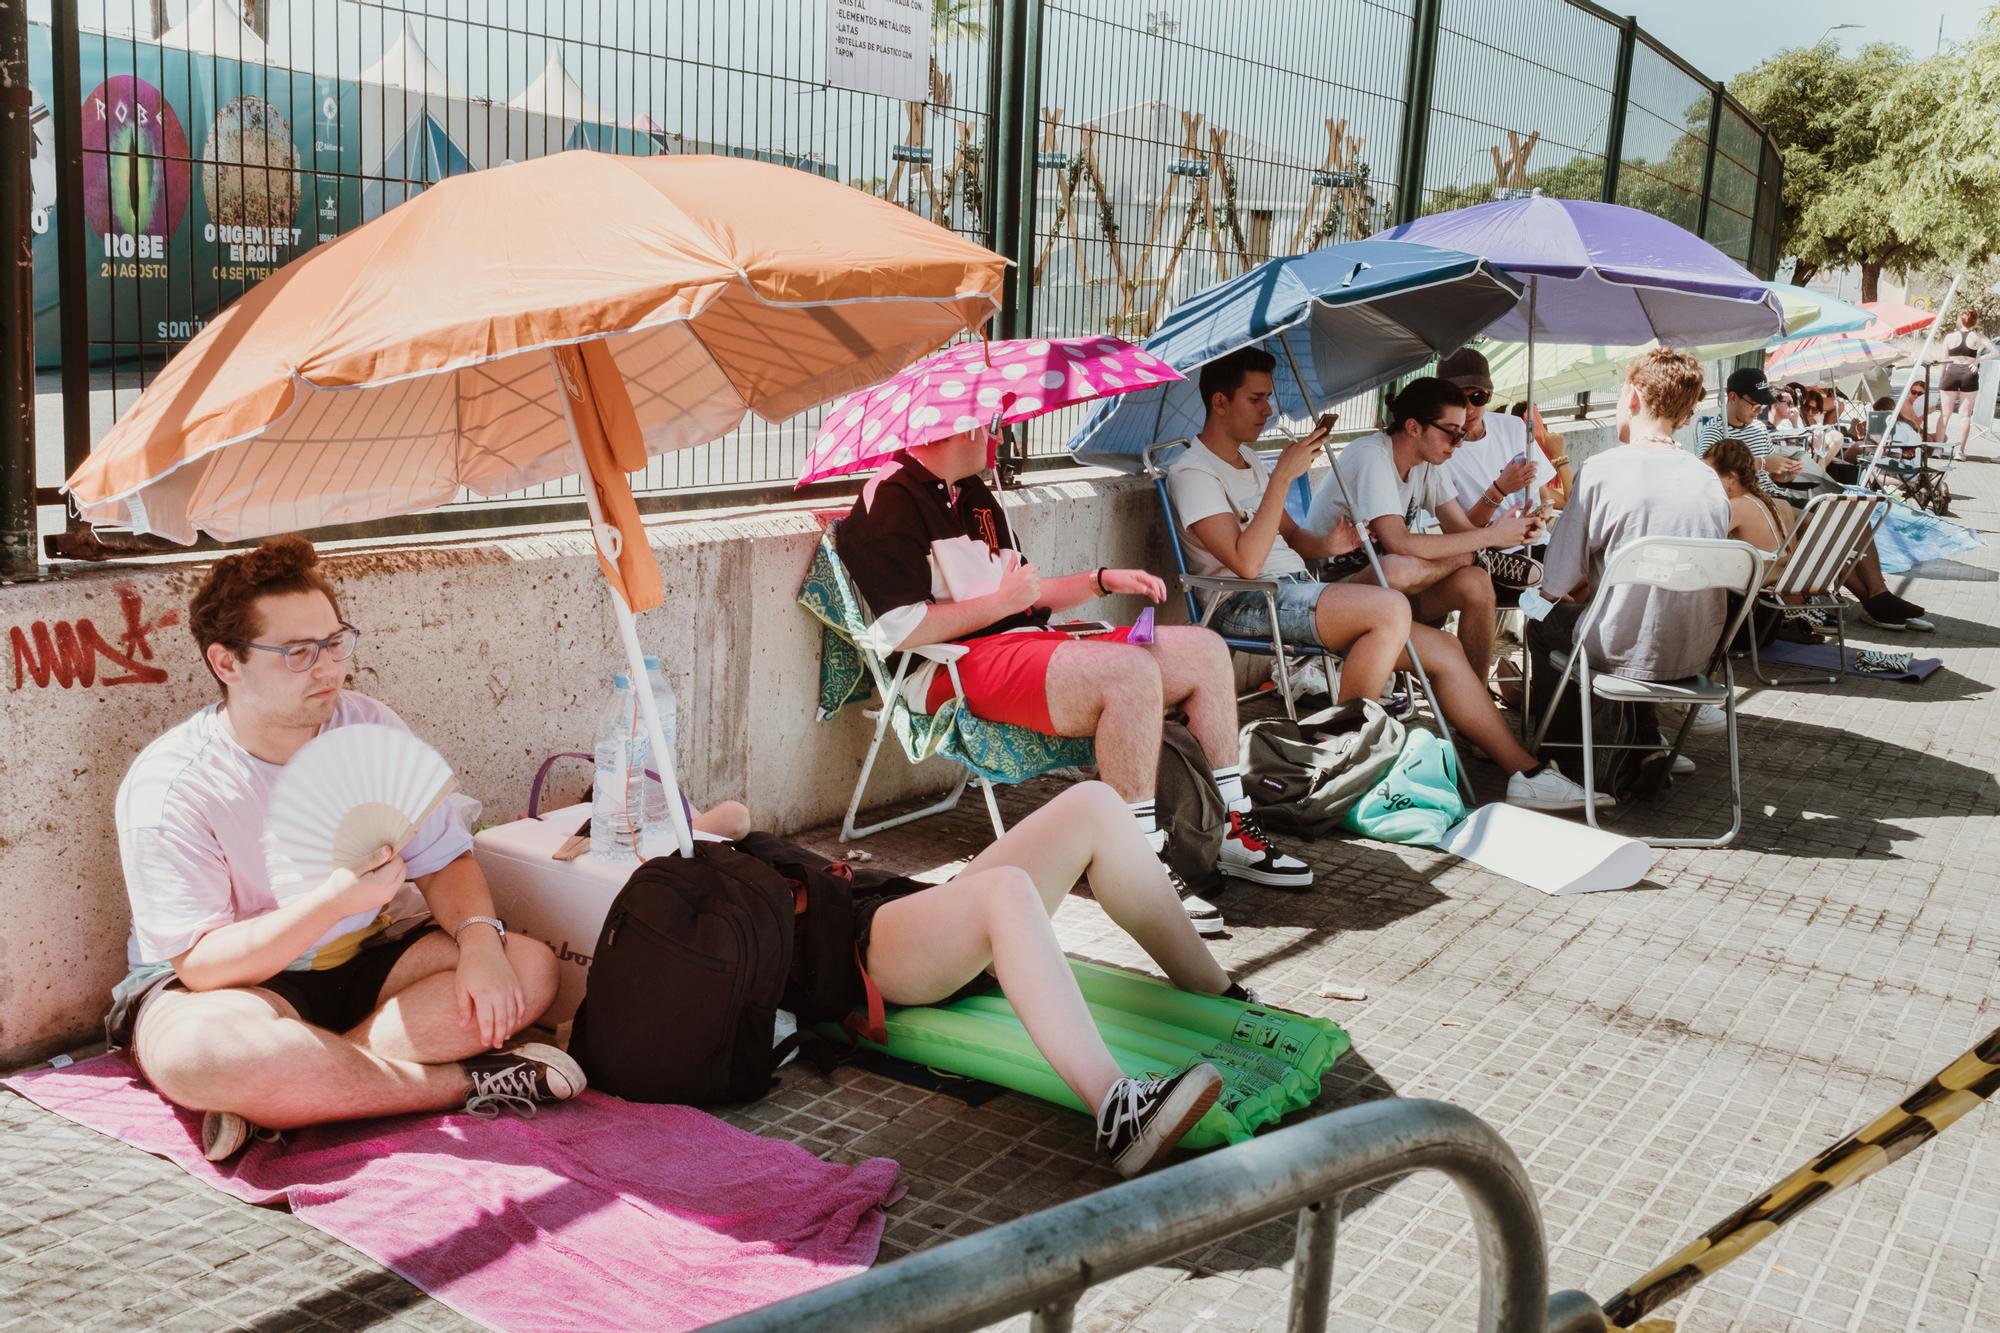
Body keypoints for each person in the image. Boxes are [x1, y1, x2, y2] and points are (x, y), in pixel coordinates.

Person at [107, 537, 581, 1163]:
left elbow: (442, 859)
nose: (329, 668)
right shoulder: (173, 784)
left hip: (364, 960)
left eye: (334, 643)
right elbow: (201, 964)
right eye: (298, 653)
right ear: (227, 663)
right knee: (209, 1057)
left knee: (529, 969)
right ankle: (460, 1084)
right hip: (228, 989)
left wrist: (480, 942)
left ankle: (293, 1093)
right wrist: (332, 902)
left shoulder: (368, 725)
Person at [835, 422, 1312, 935]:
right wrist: (1003, 604)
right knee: (1129, 672)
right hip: (945, 664)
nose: (997, 440)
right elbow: (901, 629)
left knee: (1205, 650)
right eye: (985, 427)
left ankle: (1230, 827)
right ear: (949, 430)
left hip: (1020, 645)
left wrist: (1099, 580)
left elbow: (1027, 591)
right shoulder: (887, 498)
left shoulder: (970, 491)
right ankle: (1136, 864)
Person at [1165, 348, 1591, 810]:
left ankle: (1524, 772)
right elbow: (1246, 565)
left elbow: (1298, 541)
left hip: (1300, 588)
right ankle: (1341, 756)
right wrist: (1283, 481)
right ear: (1220, 402)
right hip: (1247, 603)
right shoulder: (1192, 472)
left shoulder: (1249, 459)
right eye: (1256, 399)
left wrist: (1329, 545)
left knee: (1445, 649)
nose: (1268, 410)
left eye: (1269, 397)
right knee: (1392, 603)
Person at [863, 780, 1261, 1176]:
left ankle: (1222, 996)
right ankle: (1117, 1111)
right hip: (855, 945)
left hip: (893, 904)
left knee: (1095, 802)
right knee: (1006, 888)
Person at [1528, 349, 1733, 744]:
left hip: (1619, 651)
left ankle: (1563, 754)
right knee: (1636, 610)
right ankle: (1643, 742)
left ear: (1632, 397)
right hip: (1697, 652)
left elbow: (1555, 580)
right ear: (1687, 414)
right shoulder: (1709, 481)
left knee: (1547, 623)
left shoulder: (1602, 470)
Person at [1301, 377, 1541, 684]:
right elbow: (1398, 542)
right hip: (1328, 598)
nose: (1459, 444)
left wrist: (1510, 528)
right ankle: (1480, 559)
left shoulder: (1429, 463)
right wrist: (1488, 540)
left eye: (1462, 435)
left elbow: (1462, 530)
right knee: (1397, 567)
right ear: (1414, 427)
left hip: (1390, 597)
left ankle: (1475, 692)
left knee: (1477, 581)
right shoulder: (1371, 455)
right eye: (1452, 435)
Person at [1435, 349, 1571, 533]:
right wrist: (1499, 489)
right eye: (1456, 398)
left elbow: (1543, 496)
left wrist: (1541, 513)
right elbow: (1459, 533)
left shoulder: (1513, 426)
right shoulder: (1435, 450)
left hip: (1533, 543)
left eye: (1478, 397)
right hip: (1485, 554)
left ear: (1489, 395)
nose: (1469, 409)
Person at [1693, 368, 1806, 498]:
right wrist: (1761, 463)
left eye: (1762, 405)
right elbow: (1707, 476)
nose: (1759, 411)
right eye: (1754, 404)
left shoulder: (1759, 428)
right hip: (1748, 503)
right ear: (1733, 397)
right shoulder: (1714, 432)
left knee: (1827, 511)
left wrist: (1786, 473)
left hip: (1772, 496)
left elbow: (1770, 476)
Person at [1939, 307, 1991, 455]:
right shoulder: (1978, 337)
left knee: (1945, 413)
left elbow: (1943, 361)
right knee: (1965, 415)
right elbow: (1996, 351)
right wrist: (1978, 359)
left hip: (1952, 371)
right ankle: (1960, 452)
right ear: (1976, 322)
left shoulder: (1949, 337)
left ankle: (1937, 448)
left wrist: (1941, 380)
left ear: (1959, 320)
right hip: (1970, 372)